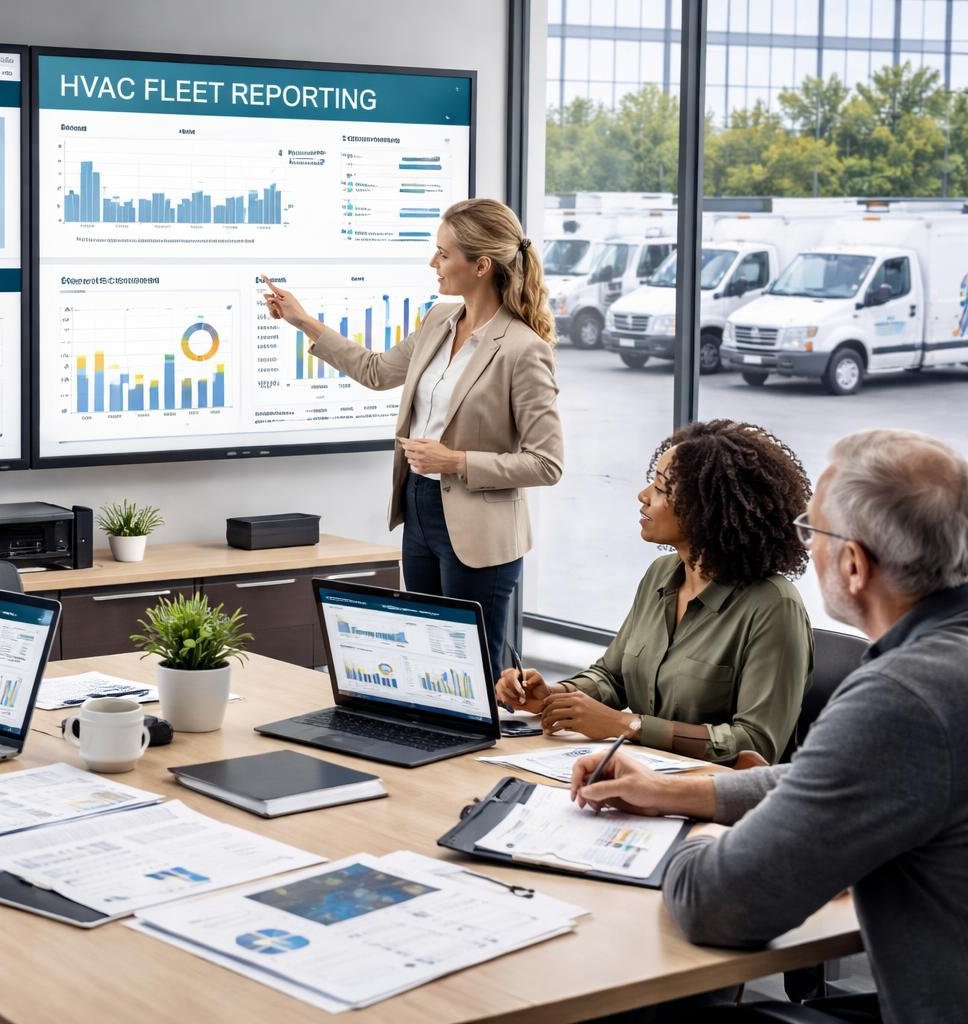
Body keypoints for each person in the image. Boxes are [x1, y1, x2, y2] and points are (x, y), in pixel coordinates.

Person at [570, 428, 968, 1024]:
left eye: (814, 532)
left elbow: (713, 903)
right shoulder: (945, 664)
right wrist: (676, 790)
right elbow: (824, 776)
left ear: (854, 564)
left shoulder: (900, 698)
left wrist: (699, 830)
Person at [262, 197, 563, 670]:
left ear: (481, 265)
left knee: (471, 667)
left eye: (443, 254)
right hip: (420, 508)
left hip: (478, 527)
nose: (433, 263)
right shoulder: (439, 320)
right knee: (423, 655)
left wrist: (456, 461)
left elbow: (546, 463)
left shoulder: (523, 349)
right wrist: (302, 321)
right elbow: (377, 370)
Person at [497, 420, 813, 765]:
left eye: (663, 489)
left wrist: (629, 725)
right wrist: (555, 696)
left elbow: (756, 743)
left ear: (708, 509)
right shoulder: (661, 575)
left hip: (715, 798)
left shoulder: (774, 607)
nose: (644, 495)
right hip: (641, 775)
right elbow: (612, 677)